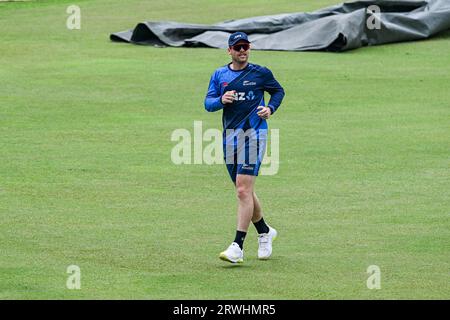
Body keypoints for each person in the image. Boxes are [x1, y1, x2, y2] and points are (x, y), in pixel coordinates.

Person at [204, 32, 285, 263]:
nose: (242, 51)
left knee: (242, 190)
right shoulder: (220, 75)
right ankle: (265, 231)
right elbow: (207, 104)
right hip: (230, 138)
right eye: (237, 47)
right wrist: (221, 100)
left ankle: (237, 246)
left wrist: (270, 109)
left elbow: (278, 91)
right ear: (229, 50)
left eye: (245, 46)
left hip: (254, 134)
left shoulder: (260, 73)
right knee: (244, 191)